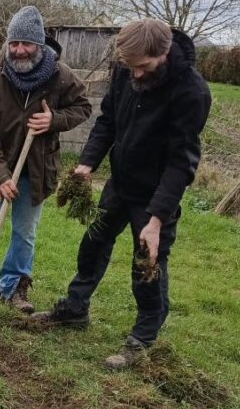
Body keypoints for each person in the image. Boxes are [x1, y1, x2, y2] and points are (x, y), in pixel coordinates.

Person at [31, 18, 212, 369]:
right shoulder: (125, 69)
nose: (136, 74)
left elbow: (181, 162)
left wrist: (156, 219)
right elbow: (108, 121)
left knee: (147, 265)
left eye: (143, 67)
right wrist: (87, 164)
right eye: (130, 67)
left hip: (156, 194)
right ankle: (75, 309)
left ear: (163, 53)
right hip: (121, 182)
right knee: (93, 243)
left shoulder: (191, 92)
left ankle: (143, 339)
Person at [0, 6, 91, 312]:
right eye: (14, 43)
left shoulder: (59, 76)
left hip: (37, 169)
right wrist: (0, 176)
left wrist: (54, 120)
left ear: (39, 44)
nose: (19, 50)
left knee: (25, 232)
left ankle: (14, 287)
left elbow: (82, 107)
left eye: (26, 43)